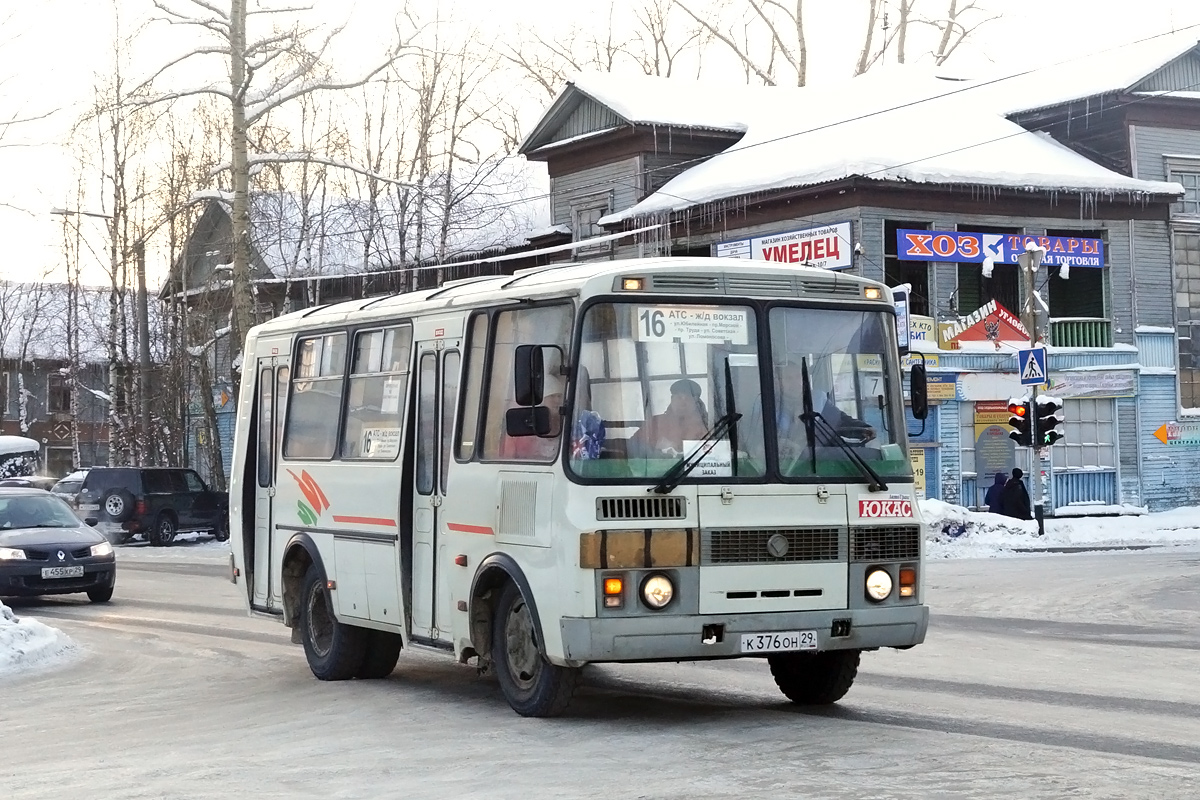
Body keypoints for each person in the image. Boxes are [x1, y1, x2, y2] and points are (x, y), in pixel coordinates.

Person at [771, 359, 874, 459]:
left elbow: (841, 421)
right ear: (777, 382)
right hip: (788, 467)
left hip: (824, 461)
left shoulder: (817, 401)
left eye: (798, 377)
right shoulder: (768, 408)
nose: (795, 382)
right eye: (789, 378)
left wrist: (863, 429)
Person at [629, 378, 709, 457]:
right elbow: (633, 446)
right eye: (679, 397)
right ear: (672, 399)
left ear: (696, 401)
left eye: (688, 398)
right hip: (663, 469)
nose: (683, 402)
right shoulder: (656, 422)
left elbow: (716, 450)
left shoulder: (707, 424)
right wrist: (656, 452)